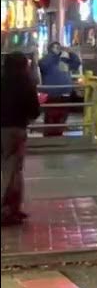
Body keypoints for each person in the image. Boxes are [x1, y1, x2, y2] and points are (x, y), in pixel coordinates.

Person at [2, 52, 41, 224]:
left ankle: (11, 209)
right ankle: (8, 210)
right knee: (13, 170)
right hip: (16, 130)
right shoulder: (26, 83)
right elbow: (34, 110)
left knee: (8, 169)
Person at [37, 41, 81, 137]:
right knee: (51, 119)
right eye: (55, 47)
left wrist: (70, 52)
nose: (58, 49)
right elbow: (42, 64)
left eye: (58, 47)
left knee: (62, 118)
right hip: (52, 96)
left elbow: (76, 63)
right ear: (50, 49)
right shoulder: (46, 61)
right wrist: (54, 54)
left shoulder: (64, 61)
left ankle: (58, 135)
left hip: (65, 95)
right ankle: (49, 137)